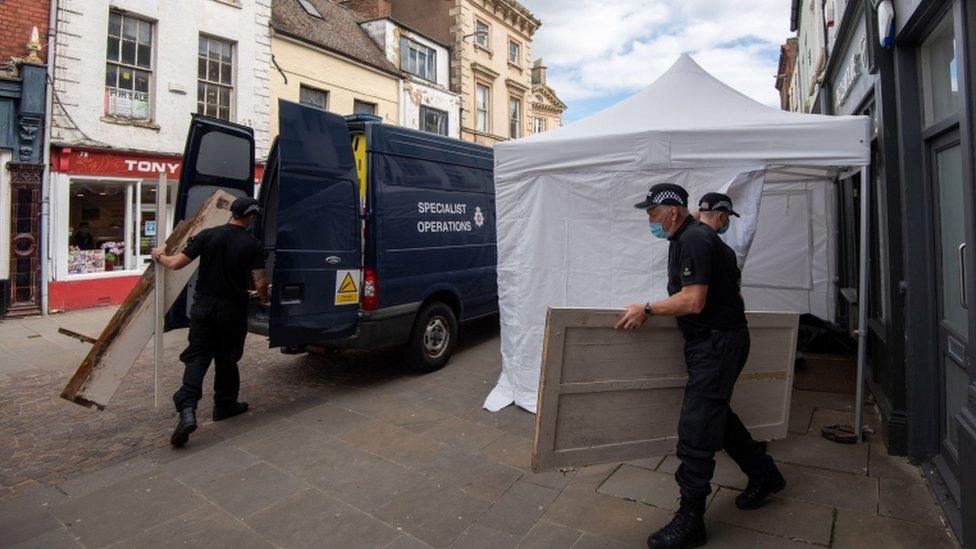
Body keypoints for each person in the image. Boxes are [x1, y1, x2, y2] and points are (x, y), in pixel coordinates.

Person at [615, 183, 784, 549]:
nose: (650, 220)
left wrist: (647, 309)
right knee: (717, 418)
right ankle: (765, 475)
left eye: (652, 213)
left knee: (696, 430)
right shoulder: (688, 240)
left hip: (717, 344)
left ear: (671, 212)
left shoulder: (694, 239)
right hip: (713, 342)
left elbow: (693, 300)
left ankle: (691, 521)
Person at [151, 197, 270, 447]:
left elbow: (175, 263)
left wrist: (159, 255)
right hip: (232, 310)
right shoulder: (252, 244)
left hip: (204, 308)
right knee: (227, 358)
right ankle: (225, 405)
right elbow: (260, 282)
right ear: (250, 217)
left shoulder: (208, 235)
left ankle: (187, 408)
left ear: (232, 213)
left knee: (197, 357)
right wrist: (264, 298)